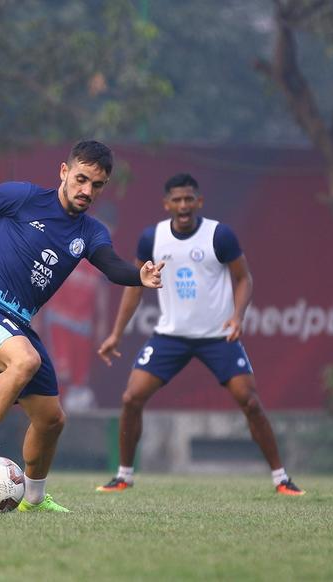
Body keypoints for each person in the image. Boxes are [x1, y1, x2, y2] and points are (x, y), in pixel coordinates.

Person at [0, 141, 164, 512]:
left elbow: (111, 265)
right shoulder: (24, 197)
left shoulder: (90, 232)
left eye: (98, 185)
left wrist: (139, 274)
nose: (88, 191)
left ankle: (35, 498)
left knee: (52, 419)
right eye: (81, 179)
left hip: (17, 322)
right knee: (24, 361)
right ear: (63, 172)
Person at [95, 173, 304, 496]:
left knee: (249, 400)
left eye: (188, 199)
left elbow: (244, 279)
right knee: (131, 398)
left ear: (199, 202)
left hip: (217, 336)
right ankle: (123, 476)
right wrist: (116, 335)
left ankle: (281, 479)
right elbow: (135, 287)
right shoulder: (152, 238)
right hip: (171, 336)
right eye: (176, 200)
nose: (183, 205)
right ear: (166, 204)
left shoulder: (219, 236)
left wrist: (237, 317)